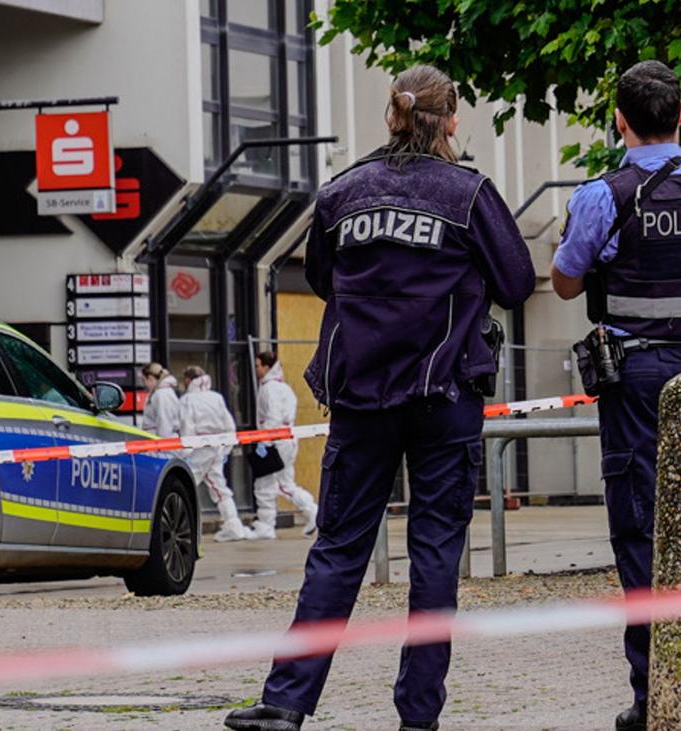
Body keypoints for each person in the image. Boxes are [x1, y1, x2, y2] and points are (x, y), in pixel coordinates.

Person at [225, 64, 535, 731]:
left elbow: (321, 276)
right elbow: (517, 282)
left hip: (361, 397)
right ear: (451, 120)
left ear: (392, 114)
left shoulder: (342, 191)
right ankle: (418, 716)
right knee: (435, 556)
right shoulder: (469, 193)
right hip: (443, 396)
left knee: (338, 549)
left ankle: (285, 702)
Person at [549, 61, 681, 731]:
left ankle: (653, 694)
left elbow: (563, 282)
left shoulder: (601, 196)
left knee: (641, 526)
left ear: (620, 121)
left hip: (637, 381)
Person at [248, 352, 319, 540]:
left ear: (266, 367)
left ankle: (267, 525)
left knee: (266, 484)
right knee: (285, 483)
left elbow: (273, 416)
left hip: (276, 440)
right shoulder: (283, 387)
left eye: (258, 365)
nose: (256, 369)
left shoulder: (269, 388)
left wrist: (264, 441)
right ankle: (311, 511)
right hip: (286, 439)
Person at [180, 366, 250, 542]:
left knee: (184, 483)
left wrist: (184, 451)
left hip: (199, 447)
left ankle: (184, 526)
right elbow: (229, 424)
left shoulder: (188, 400)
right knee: (219, 487)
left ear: (189, 380)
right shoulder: (216, 397)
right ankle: (233, 525)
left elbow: (187, 426)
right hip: (217, 445)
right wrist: (225, 448)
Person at [140, 362, 180, 439]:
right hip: (159, 439)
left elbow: (164, 423)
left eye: (144, 380)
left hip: (163, 441)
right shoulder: (161, 392)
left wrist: (162, 444)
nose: (144, 384)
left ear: (150, 378)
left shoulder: (162, 394)